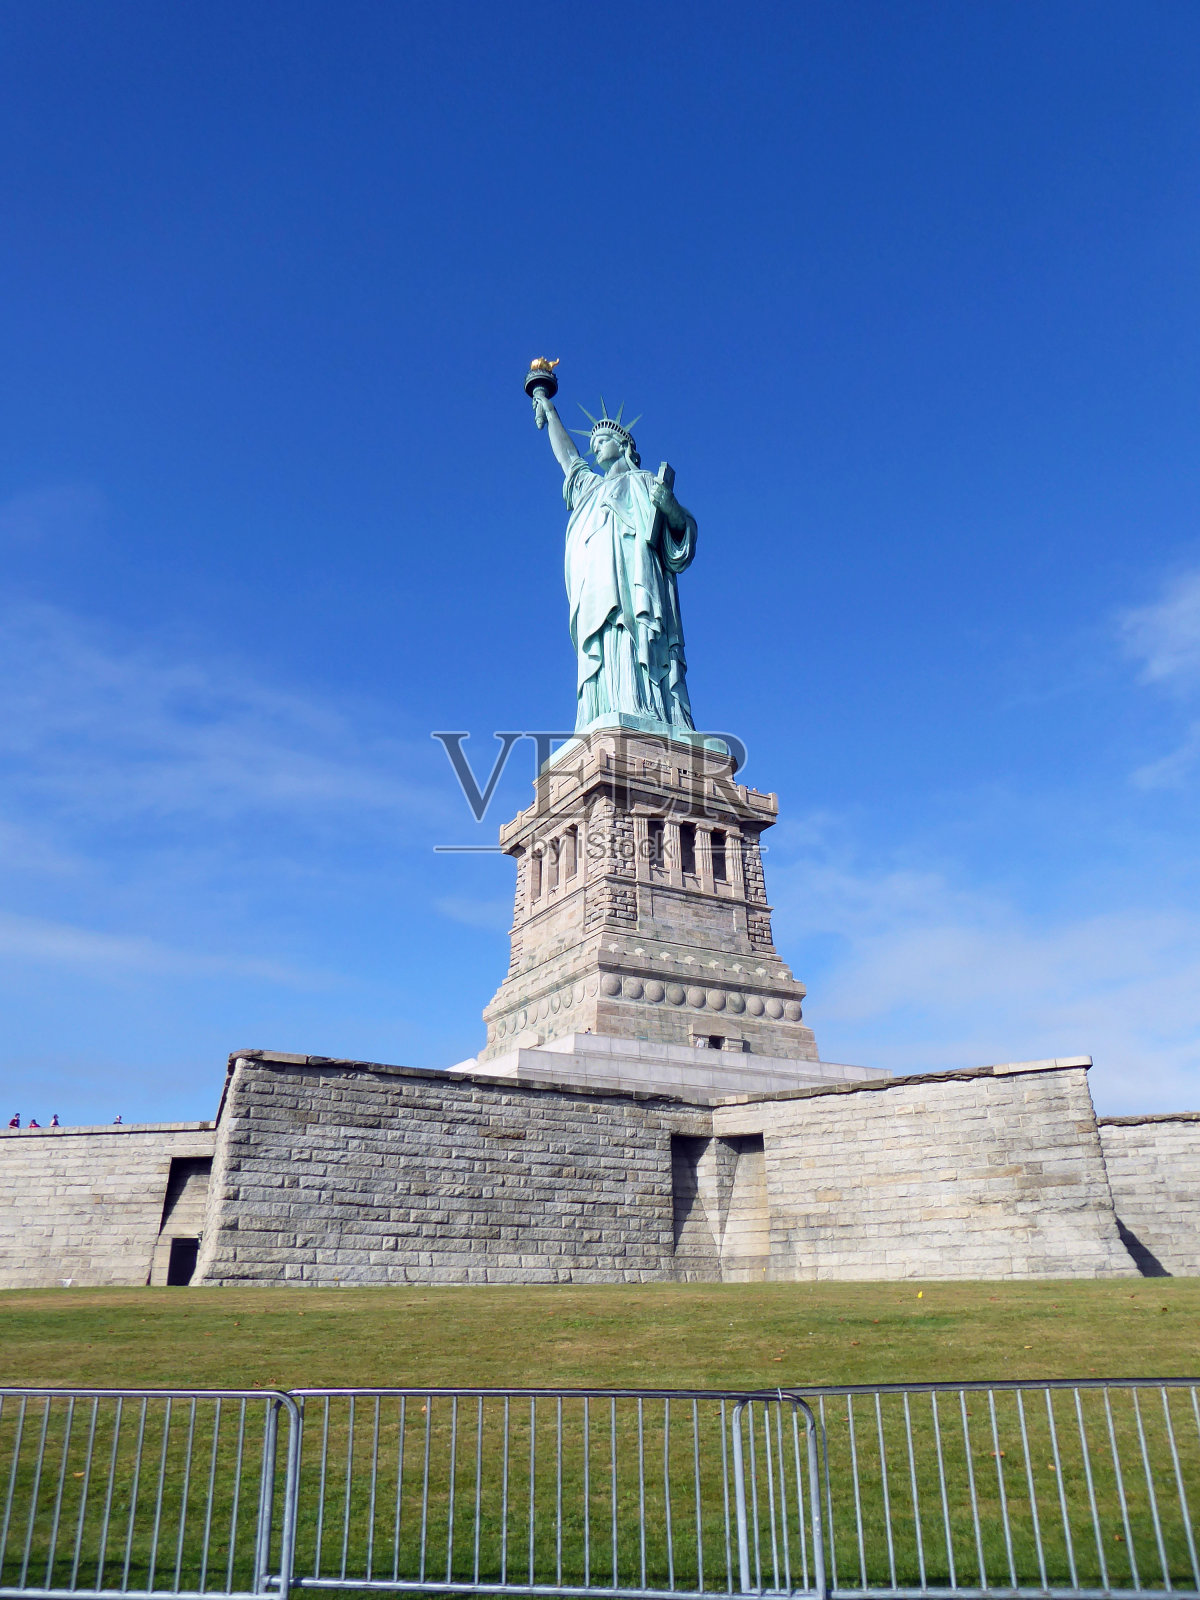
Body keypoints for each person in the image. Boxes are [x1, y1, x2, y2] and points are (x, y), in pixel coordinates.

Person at [530, 388, 698, 735]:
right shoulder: (589, 489)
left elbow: (682, 537)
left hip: (636, 587)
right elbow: (569, 461)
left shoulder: (645, 483)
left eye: (602, 440)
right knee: (606, 646)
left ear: (622, 445)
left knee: (634, 636)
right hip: (597, 594)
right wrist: (550, 410)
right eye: (593, 442)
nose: (595, 447)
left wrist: (670, 508)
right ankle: (605, 708)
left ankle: (649, 709)